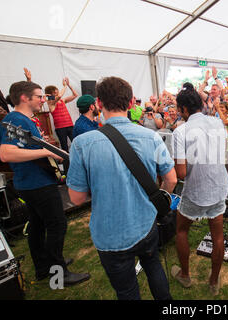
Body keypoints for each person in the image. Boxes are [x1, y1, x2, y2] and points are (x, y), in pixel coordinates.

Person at [66, 76, 176, 300]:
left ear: (98, 103)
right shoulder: (151, 138)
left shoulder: (82, 144)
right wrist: (159, 200)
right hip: (146, 224)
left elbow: (76, 199)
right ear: (131, 102)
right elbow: (171, 179)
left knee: (126, 290)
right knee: (154, 265)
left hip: (110, 234)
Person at [0, 81, 90, 286]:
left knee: (38, 226)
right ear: (24, 97)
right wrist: (47, 151)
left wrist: (41, 143)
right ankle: (59, 275)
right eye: (40, 96)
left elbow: (22, 147)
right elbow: (5, 153)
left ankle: (43, 268)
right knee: (57, 224)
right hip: (36, 184)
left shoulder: (23, 120)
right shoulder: (14, 119)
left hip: (31, 182)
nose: (43, 100)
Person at [171, 82, 228, 296]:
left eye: (179, 109)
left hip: (196, 190)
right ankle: (213, 281)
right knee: (218, 236)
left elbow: (181, 173)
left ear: (184, 109)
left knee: (181, 230)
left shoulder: (181, 131)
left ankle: (185, 276)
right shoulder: (217, 123)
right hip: (217, 186)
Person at [45, 78, 78, 152]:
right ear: (50, 94)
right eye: (55, 92)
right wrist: (65, 86)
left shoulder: (62, 100)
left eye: (57, 92)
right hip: (60, 128)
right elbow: (59, 96)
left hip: (69, 125)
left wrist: (69, 85)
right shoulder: (50, 101)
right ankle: (66, 162)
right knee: (64, 147)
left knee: (76, 143)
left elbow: (75, 95)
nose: (57, 93)